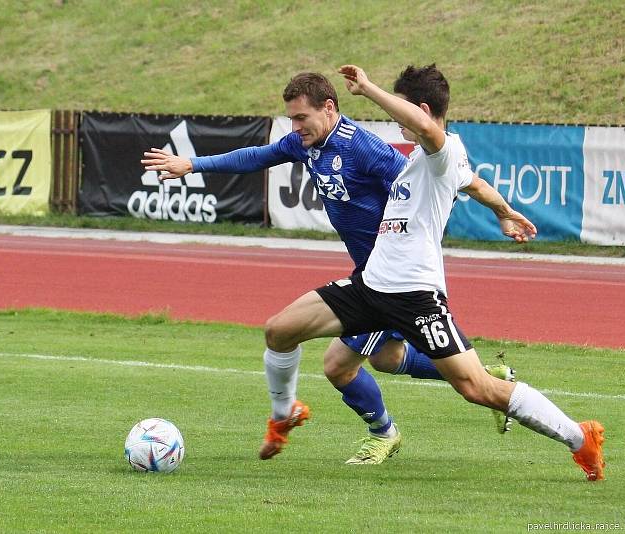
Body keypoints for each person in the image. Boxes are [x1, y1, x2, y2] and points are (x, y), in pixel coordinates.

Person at [141, 72, 533, 465]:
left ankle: (385, 433)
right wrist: (191, 164)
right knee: (388, 359)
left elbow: (429, 179)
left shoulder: (365, 149)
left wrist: (476, 215)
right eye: (291, 119)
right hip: (370, 275)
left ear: (329, 109)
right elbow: (257, 157)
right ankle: (490, 377)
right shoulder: (306, 144)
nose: (295, 128)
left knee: (337, 366)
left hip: (391, 277)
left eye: (301, 118)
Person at [258, 62, 605, 481]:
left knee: (477, 388)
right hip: (369, 286)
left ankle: (580, 438)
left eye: (405, 110)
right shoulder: (431, 159)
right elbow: (474, 184)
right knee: (279, 330)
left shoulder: (441, 150)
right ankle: (283, 417)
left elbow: (427, 129)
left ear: (421, 110)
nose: (400, 121)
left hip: (414, 295)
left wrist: (368, 89)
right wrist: (504, 212)